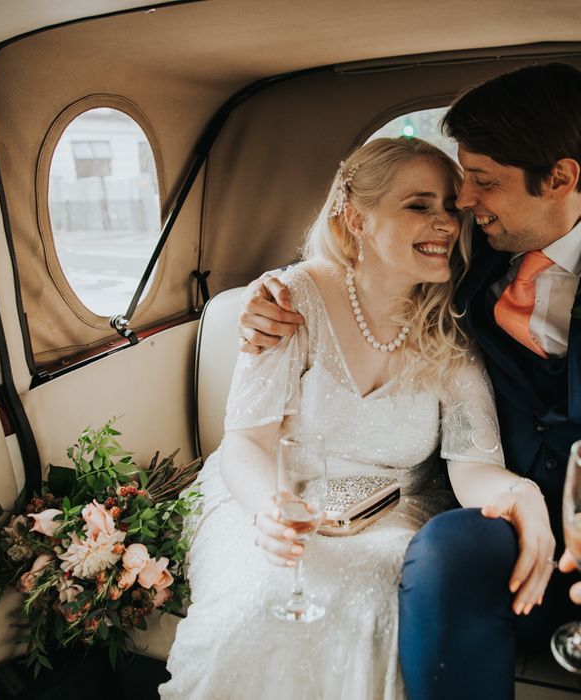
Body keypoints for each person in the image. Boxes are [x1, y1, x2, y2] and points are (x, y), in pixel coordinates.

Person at [159, 136, 550, 700]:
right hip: (265, 493)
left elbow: (473, 467)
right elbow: (247, 442)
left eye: (449, 207)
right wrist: (271, 509)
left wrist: (522, 494)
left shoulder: (451, 326)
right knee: (261, 604)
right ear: (356, 218)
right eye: (419, 205)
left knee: (372, 603)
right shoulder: (289, 299)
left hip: (391, 514)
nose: (445, 223)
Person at [238, 62, 581, 699]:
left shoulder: (450, 285)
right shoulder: (469, 278)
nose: (463, 211)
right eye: (441, 199)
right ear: (356, 219)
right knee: (445, 550)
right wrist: (258, 303)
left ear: (560, 179)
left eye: (477, 184)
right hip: (492, 516)